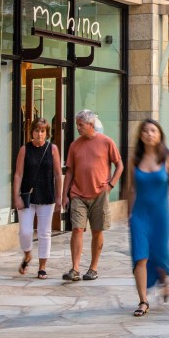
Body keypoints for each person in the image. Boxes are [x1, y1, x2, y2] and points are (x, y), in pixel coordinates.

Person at [127, 119, 169, 317]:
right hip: (140, 214)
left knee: (160, 253)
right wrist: (129, 213)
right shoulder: (135, 158)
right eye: (145, 131)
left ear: (159, 134)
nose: (149, 134)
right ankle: (143, 301)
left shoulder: (167, 157)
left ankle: (164, 281)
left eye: (153, 130)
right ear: (141, 135)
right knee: (140, 256)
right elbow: (131, 189)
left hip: (160, 214)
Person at [61, 109, 123, 282]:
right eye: (77, 125)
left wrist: (110, 185)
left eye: (80, 125)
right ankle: (74, 269)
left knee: (97, 231)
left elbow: (120, 165)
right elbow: (70, 171)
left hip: (99, 195)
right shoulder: (74, 145)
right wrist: (64, 195)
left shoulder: (106, 142)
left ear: (91, 124)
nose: (78, 128)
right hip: (78, 194)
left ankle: (93, 268)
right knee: (77, 229)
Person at [13, 118, 63, 280]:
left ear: (47, 133)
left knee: (44, 232)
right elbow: (18, 174)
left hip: (47, 195)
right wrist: (16, 196)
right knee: (25, 231)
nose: (39, 134)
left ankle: (42, 268)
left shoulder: (52, 149)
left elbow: (57, 174)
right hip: (28, 196)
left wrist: (59, 197)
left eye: (43, 131)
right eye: (36, 130)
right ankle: (27, 254)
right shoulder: (24, 150)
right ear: (32, 132)